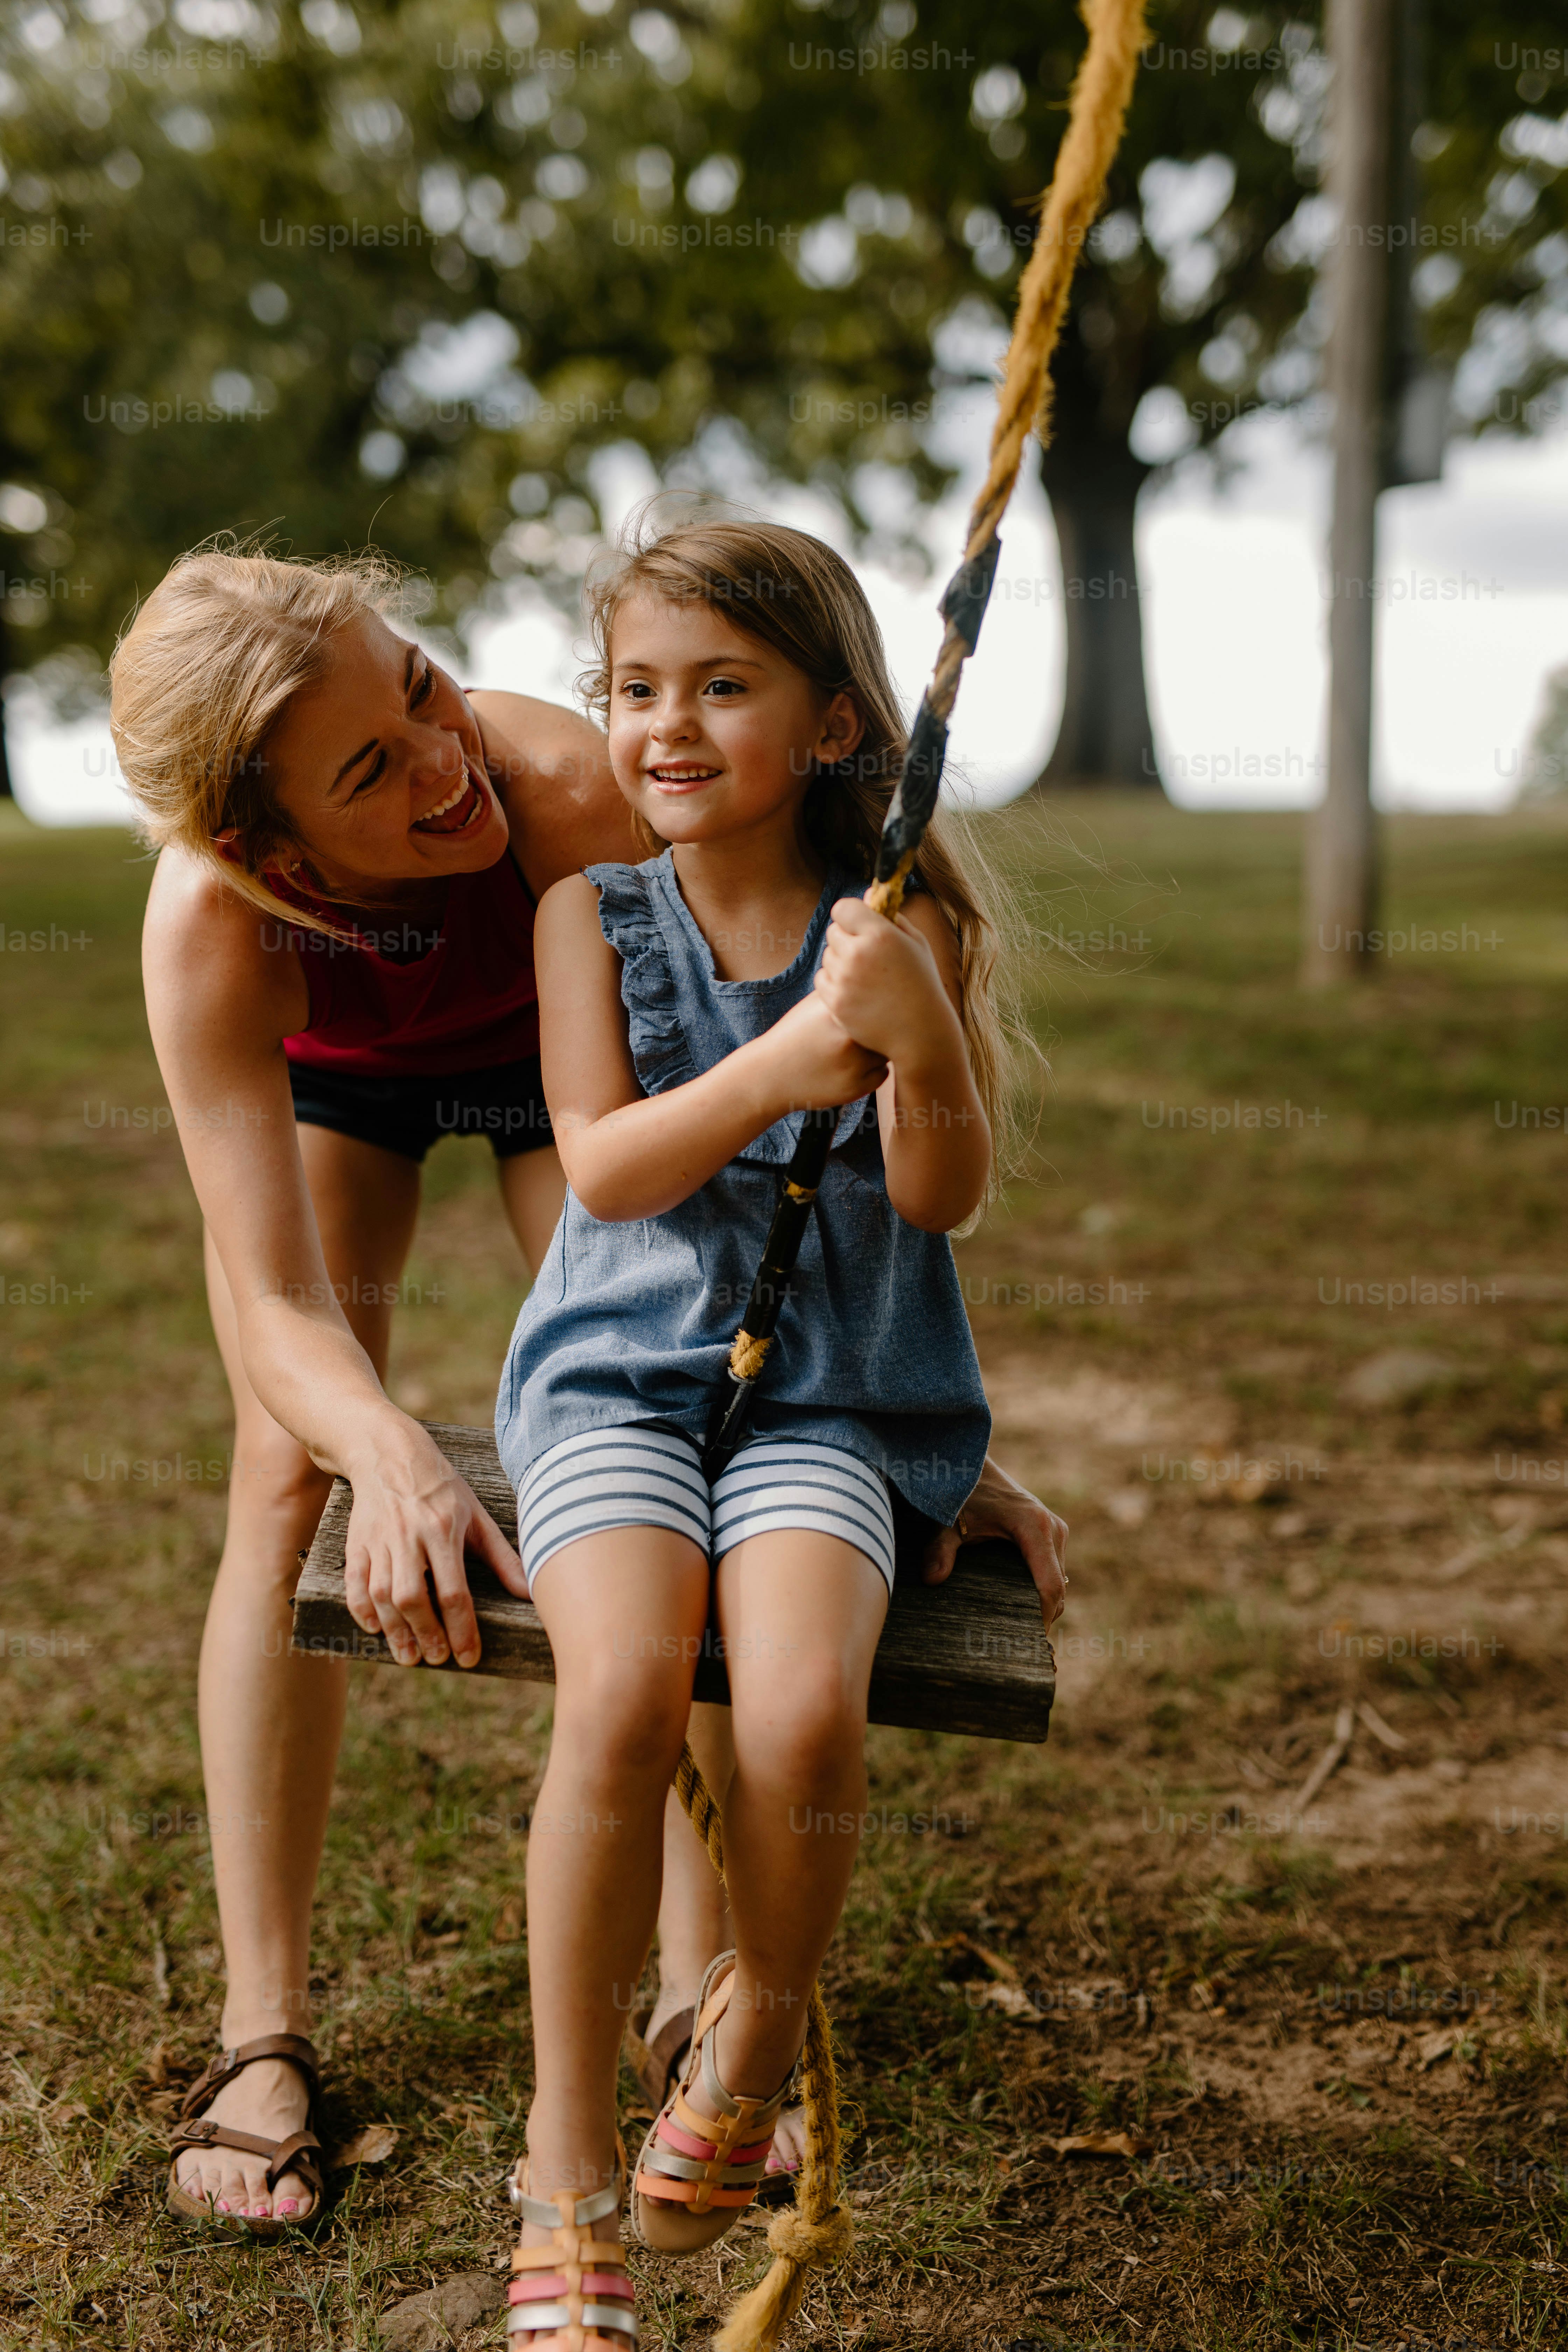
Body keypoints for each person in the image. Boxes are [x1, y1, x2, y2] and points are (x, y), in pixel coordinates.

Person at [113, 544, 1068, 2235]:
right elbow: (274, 1302)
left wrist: (905, 1414)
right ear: (269, 851)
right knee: (288, 1468)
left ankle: (698, 1986)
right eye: (367, 772)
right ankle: (263, 2032)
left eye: (421, 686)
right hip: (350, 1079)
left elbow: (781, 1167)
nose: (442, 762)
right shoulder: (217, 923)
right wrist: (392, 1457)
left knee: (697, 1406)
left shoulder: (568, 796)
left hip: (584, 1071)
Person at [490, 517, 1064, 2350]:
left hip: (832, 1389)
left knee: (807, 1704)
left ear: (829, 724)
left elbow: (943, 1196)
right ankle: (562, 2166)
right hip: (616, 1381)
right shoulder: (589, 918)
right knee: (627, 1690)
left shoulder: (907, 925)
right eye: (634, 690)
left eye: (718, 688)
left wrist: (924, 1048)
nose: (664, 726)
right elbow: (602, 1162)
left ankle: (743, 2044)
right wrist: (771, 1066)